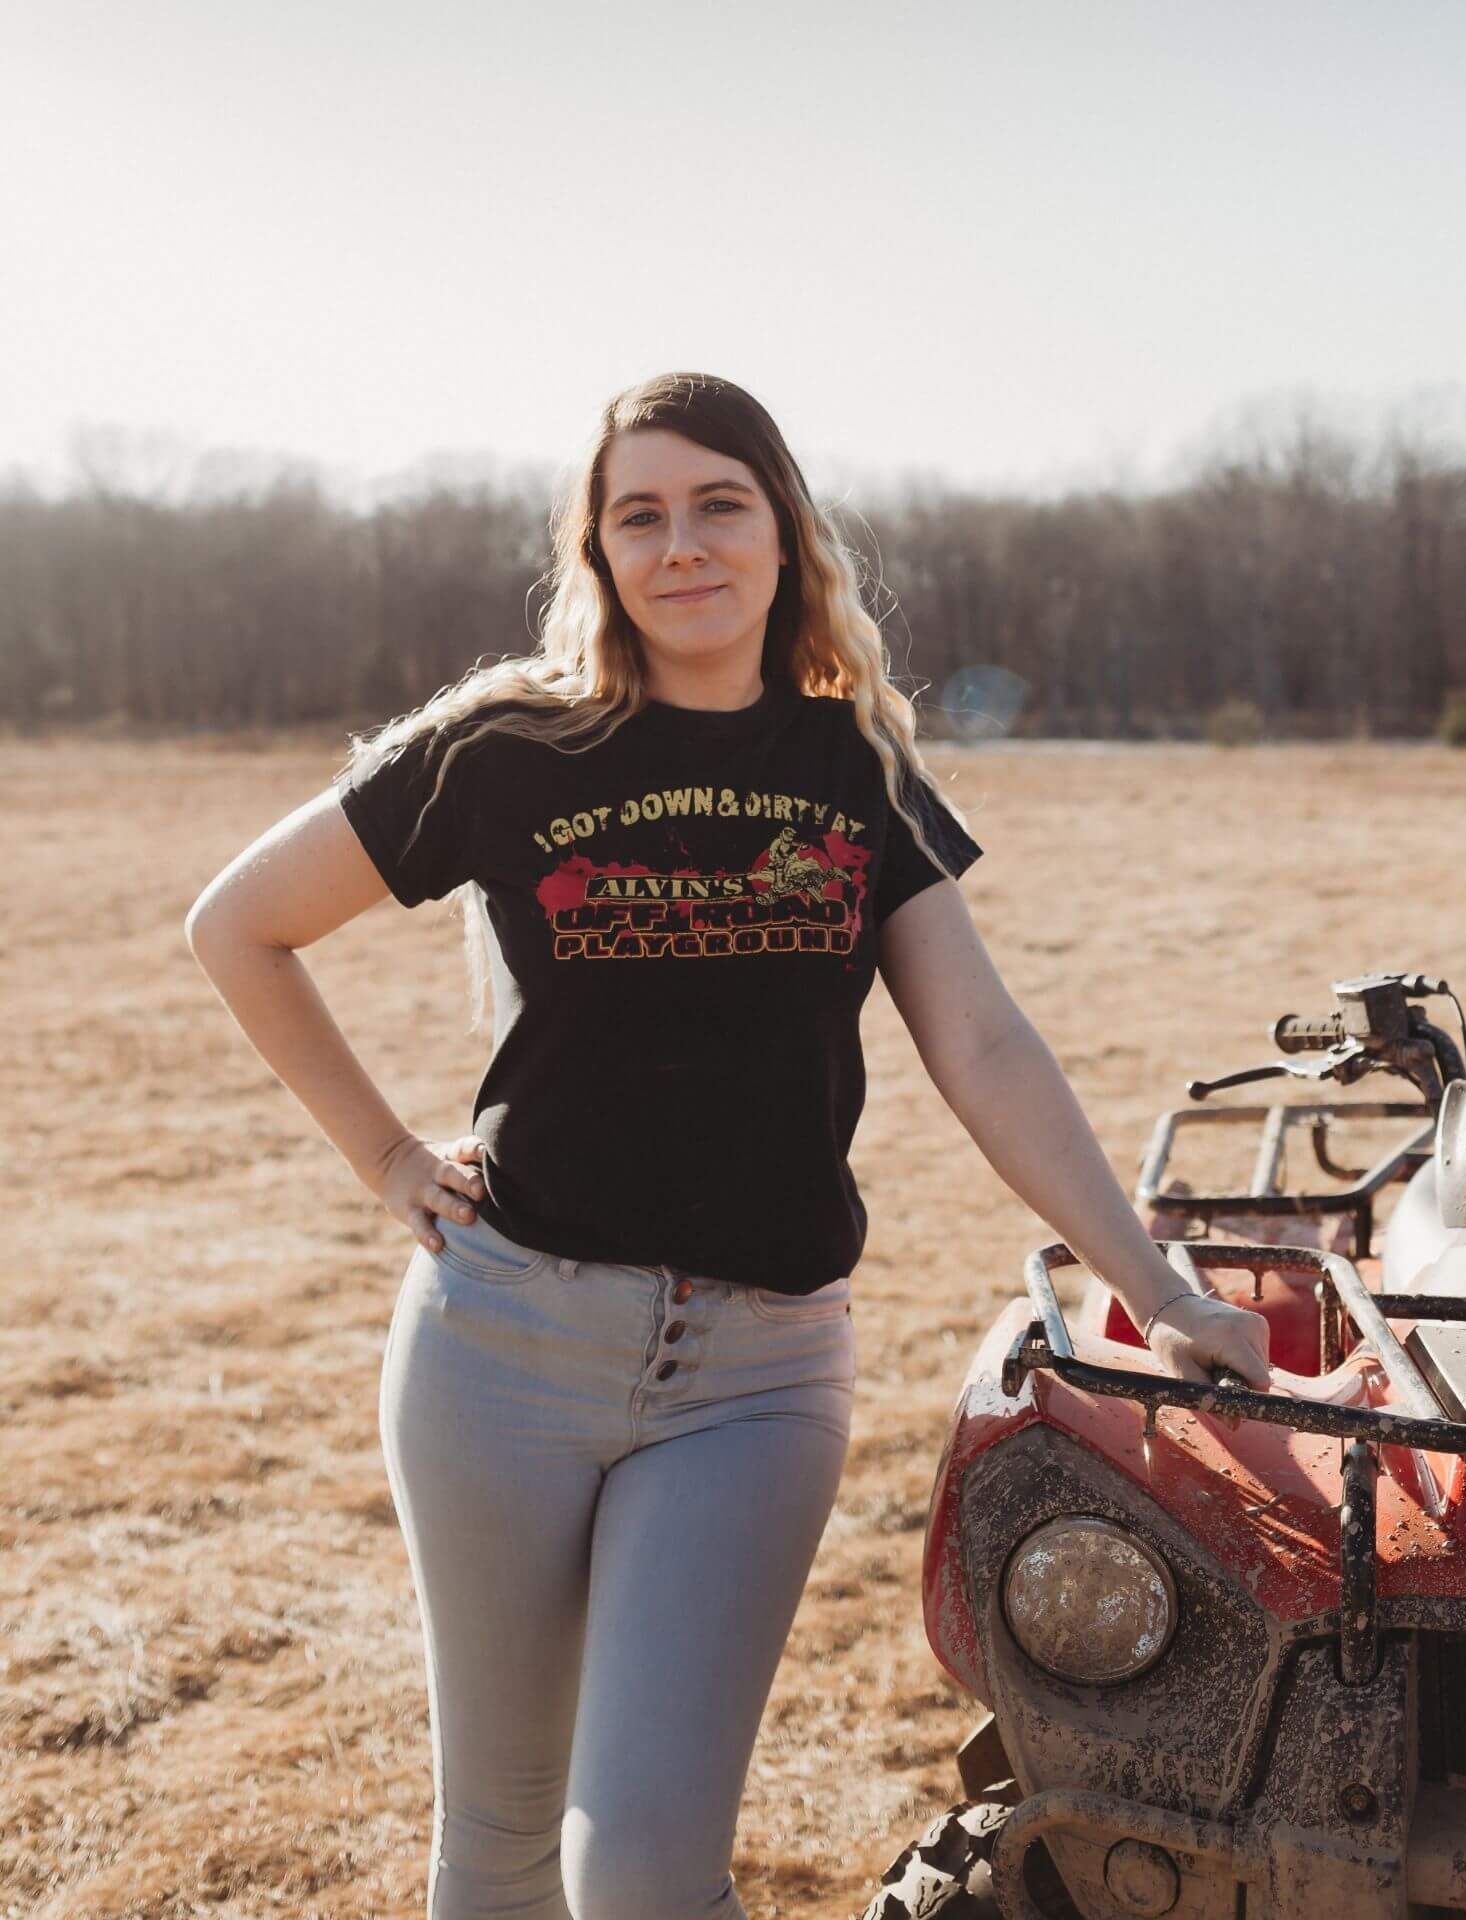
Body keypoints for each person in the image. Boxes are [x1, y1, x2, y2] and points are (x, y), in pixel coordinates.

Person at [184, 370, 1269, 1920]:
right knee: (494, 1846)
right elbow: (239, 927)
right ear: (600, 553)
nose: (681, 543)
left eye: (718, 504)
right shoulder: (509, 745)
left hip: (758, 1380)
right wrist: (383, 1158)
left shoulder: (856, 768)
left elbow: (984, 1046)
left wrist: (1156, 1289)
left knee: (637, 1867)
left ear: (782, 533)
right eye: (640, 514)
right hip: (504, 1349)